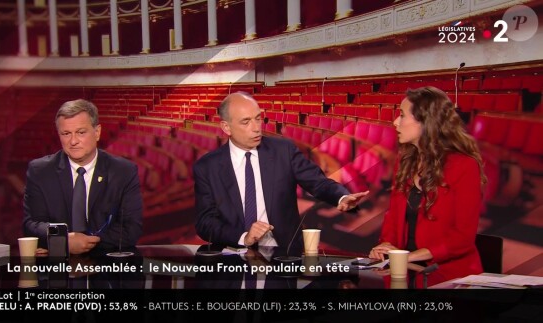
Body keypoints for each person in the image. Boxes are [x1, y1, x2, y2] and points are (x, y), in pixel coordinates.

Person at [193, 92, 369, 249]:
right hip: (235, 253)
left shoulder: (283, 150)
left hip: (285, 251)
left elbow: (317, 182)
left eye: (258, 118)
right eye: (246, 121)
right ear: (226, 127)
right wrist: (244, 237)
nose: (256, 127)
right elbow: (205, 223)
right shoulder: (207, 167)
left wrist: (341, 196)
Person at [369, 86, 486, 286]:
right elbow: (393, 216)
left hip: (447, 278)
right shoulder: (405, 161)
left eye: (402, 116)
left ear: (425, 121)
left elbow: (462, 238)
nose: (395, 122)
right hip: (404, 274)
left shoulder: (464, 166)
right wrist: (386, 245)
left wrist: (412, 256)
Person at [23, 99, 142, 255]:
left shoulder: (123, 172)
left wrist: (77, 243)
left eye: (81, 132)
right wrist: (64, 239)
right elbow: (31, 225)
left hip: (105, 268)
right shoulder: (40, 171)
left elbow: (131, 229)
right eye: (66, 134)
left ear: (97, 132)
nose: (73, 141)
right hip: (57, 269)